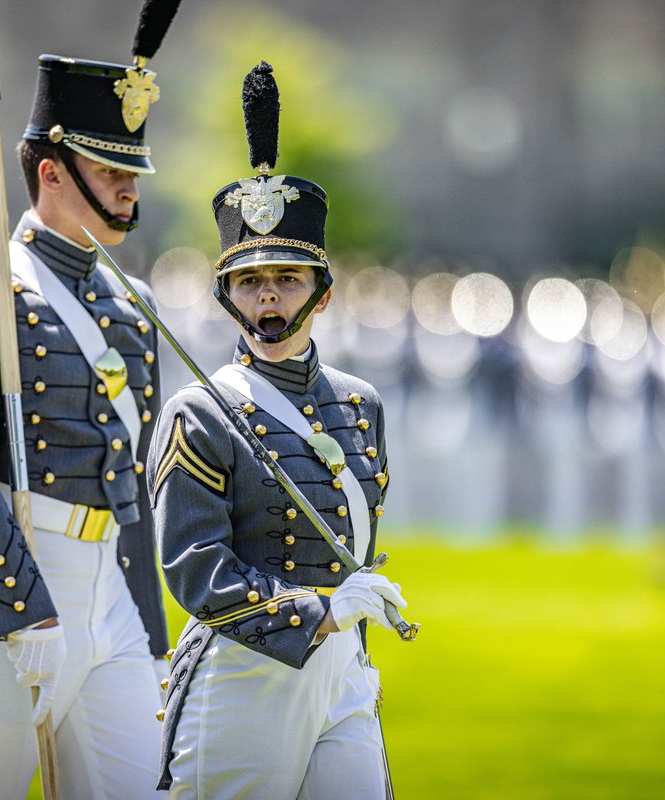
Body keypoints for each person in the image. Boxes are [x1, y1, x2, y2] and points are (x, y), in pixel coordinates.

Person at [0, 53, 171, 799]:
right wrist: (21, 613)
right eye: (109, 168)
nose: (128, 186)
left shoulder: (135, 305)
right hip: (11, 589)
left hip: (110, 595)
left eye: (133, 171)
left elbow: (133, 487)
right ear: (51, 172)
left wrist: (151, 636)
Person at [150, 62, 408, 799]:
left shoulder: (362, 405)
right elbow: (196, 568)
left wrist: (350, 618)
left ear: (320, 294)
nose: (269, 293)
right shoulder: (198, 409)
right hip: (242, 674)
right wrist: (320, 612)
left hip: (343, 673)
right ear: (228, 293)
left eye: (288, 278)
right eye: (250, 280)